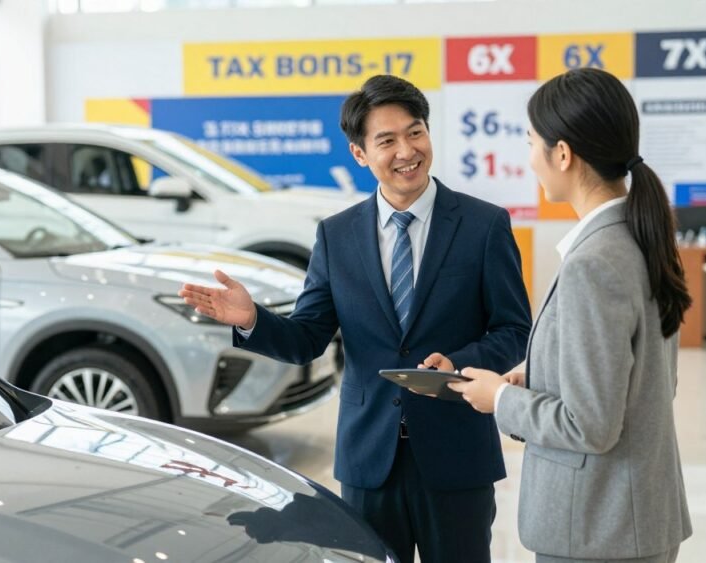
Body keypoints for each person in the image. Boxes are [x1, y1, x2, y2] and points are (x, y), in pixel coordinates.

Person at [179, 74, 532, 563]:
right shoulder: (337, 236)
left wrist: (458, 362)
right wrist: (254, 320)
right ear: (360, 154)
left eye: (415, 132)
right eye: (387, 140)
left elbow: (513, 329)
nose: (407, 150)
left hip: (456, 456)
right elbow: (307, 338)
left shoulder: (483, 224)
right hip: (370, 461)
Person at [449, 68, 693, 563]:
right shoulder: (639, 238)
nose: (530, 158)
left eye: (531, 142)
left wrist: (498, 399)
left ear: (562, 154)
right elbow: (645, 382)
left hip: (599, 529)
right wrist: (536, 375)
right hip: (636, 517)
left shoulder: (594, 263)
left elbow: (590, 426)